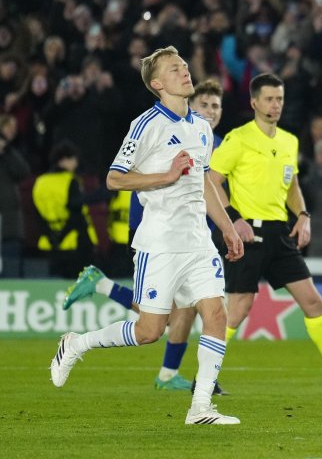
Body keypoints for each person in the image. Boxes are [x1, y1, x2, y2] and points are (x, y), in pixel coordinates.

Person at [49, 46, 244, 425]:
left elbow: (204, 182)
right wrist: (166, 176)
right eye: (174, 69)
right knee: (149, 331)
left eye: (184, 66)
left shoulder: (202, 127)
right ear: (157, 84)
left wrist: (227, 227)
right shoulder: (146, 125)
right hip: (160, 244)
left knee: (216, 314)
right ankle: (75, 343)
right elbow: (114, 178)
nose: (185, 71)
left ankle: (200, 407)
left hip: (198, 242)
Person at [209, 72, 322, 393]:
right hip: (248, 234)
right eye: (269, 99)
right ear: (254, 103)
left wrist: (303, 215)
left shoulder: (289, 141)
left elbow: (292, 185)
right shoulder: (238, 138)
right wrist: (233, 219)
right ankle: (205, 377)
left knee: (313, 301)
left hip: (280, 233)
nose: (275, 105)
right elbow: (211, 180)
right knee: (239, 309)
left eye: (280, 99)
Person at [32, 140, 99, 278]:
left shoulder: (40, 181)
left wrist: (52, 237)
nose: (76, 163)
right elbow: (76, 212)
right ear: (63, 160)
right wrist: (62, 236)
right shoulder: (70, 180)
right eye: (73, 159)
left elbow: (37, 213)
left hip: (48, 242)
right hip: (72, 241)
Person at [0, 114, 31, 277]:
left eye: (15, 128)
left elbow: (23, 171)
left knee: (11, 270)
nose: (13, 131)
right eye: (9, 126)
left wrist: (6, 151)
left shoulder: (10, 152)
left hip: (9, 224)